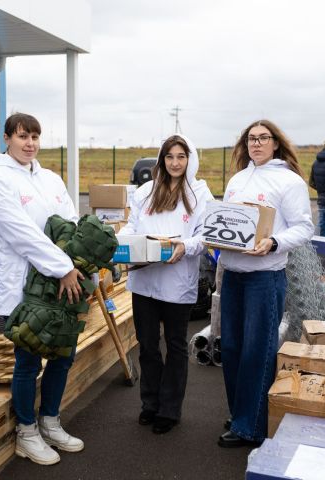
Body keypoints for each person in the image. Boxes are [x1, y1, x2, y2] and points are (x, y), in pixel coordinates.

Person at [0, 113, 85, 465]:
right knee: (28, 358)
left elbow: (69, 223)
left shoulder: (51, 179)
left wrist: (72, 266)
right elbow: (20, 233)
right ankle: (26, 432)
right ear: (7, 138)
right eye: (23, 136)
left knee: (63, 354)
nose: (30, 144)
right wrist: (63, 267)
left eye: (35, 137)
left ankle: (50, 420)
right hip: (25, 283)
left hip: (60, 282)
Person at [218, 120, 313, 447]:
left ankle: (251, 427)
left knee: (257, 351)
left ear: (275, 143)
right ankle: (239, 413)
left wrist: (273, 242)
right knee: (230, 348)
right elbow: (226, 220)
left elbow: (303, 228)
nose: (256, 144)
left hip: (265, 277)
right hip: (232, 274)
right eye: (251, 139)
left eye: (263, 138)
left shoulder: (289, 181)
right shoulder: (238, 179)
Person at [119, 134, 213, 434]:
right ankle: (150, 403)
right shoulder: (146, 191)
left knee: (175, 346)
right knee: (147, 345)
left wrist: (185, 246)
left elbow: (205, 235)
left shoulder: (199, 194)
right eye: (169, 157)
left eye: (181, 157)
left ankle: (169, 410)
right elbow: (132, 225)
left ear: (190, 160)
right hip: (144, 281)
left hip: (176, 282)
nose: (175, 163)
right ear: (162, 159)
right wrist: (124, 242)